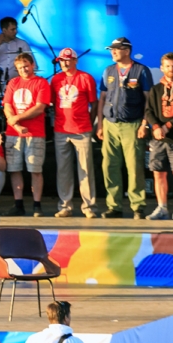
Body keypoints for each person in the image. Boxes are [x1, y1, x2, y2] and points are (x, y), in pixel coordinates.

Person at [96, 37, 153, 219]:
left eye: (116, 49)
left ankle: (138, 207)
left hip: (133, 124)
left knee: (134, 166)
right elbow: (102, 98)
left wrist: (144, 124)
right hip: (110, 124)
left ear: (127, 51)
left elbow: (148, 100)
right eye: (111, 49)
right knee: (109, 166)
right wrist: (99, 124)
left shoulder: (141, 70)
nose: (112, 52)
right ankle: (114, 206)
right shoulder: (109, 70)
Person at [51, 48, 99, 218]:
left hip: (82, 130)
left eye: (67, 60)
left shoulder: (86, 78)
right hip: (61, 130)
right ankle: (65, 206)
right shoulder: (56, 79)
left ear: (75, 61)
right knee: (63, 170)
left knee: (85, 169)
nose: (64, 63)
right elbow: (51, 103)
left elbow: (94, 103)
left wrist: (90, 123)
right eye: (61, 60)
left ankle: (89, 207)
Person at [1, 53, 50, 217]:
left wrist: (17, 119)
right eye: (20, 68)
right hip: (13, 134)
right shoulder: (13, 83)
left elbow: (39, 108)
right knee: (14, 169)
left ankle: (37, 205)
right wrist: (15, 124)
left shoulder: (41, 83)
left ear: (33, 64)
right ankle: (18, 204)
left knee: (35, 170)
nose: (24, 70)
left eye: (26, 66)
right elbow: (7, 105)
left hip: (34, 133)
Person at [143, 52, 173, 220]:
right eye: (167, 66)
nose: (171, 69)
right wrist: (155, 126)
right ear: (162, 68)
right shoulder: (156, 89)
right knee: (158, 173)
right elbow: (149, 111)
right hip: (158, 138)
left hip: (170, 134)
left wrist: (167, 126)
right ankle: (162, 207)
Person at [0, 16, 33, 81]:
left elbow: (32, 65)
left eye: (16, 29)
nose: (16, 31)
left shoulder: (22, 44)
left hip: (17, 82)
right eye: (12, 29)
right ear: (4, 30)